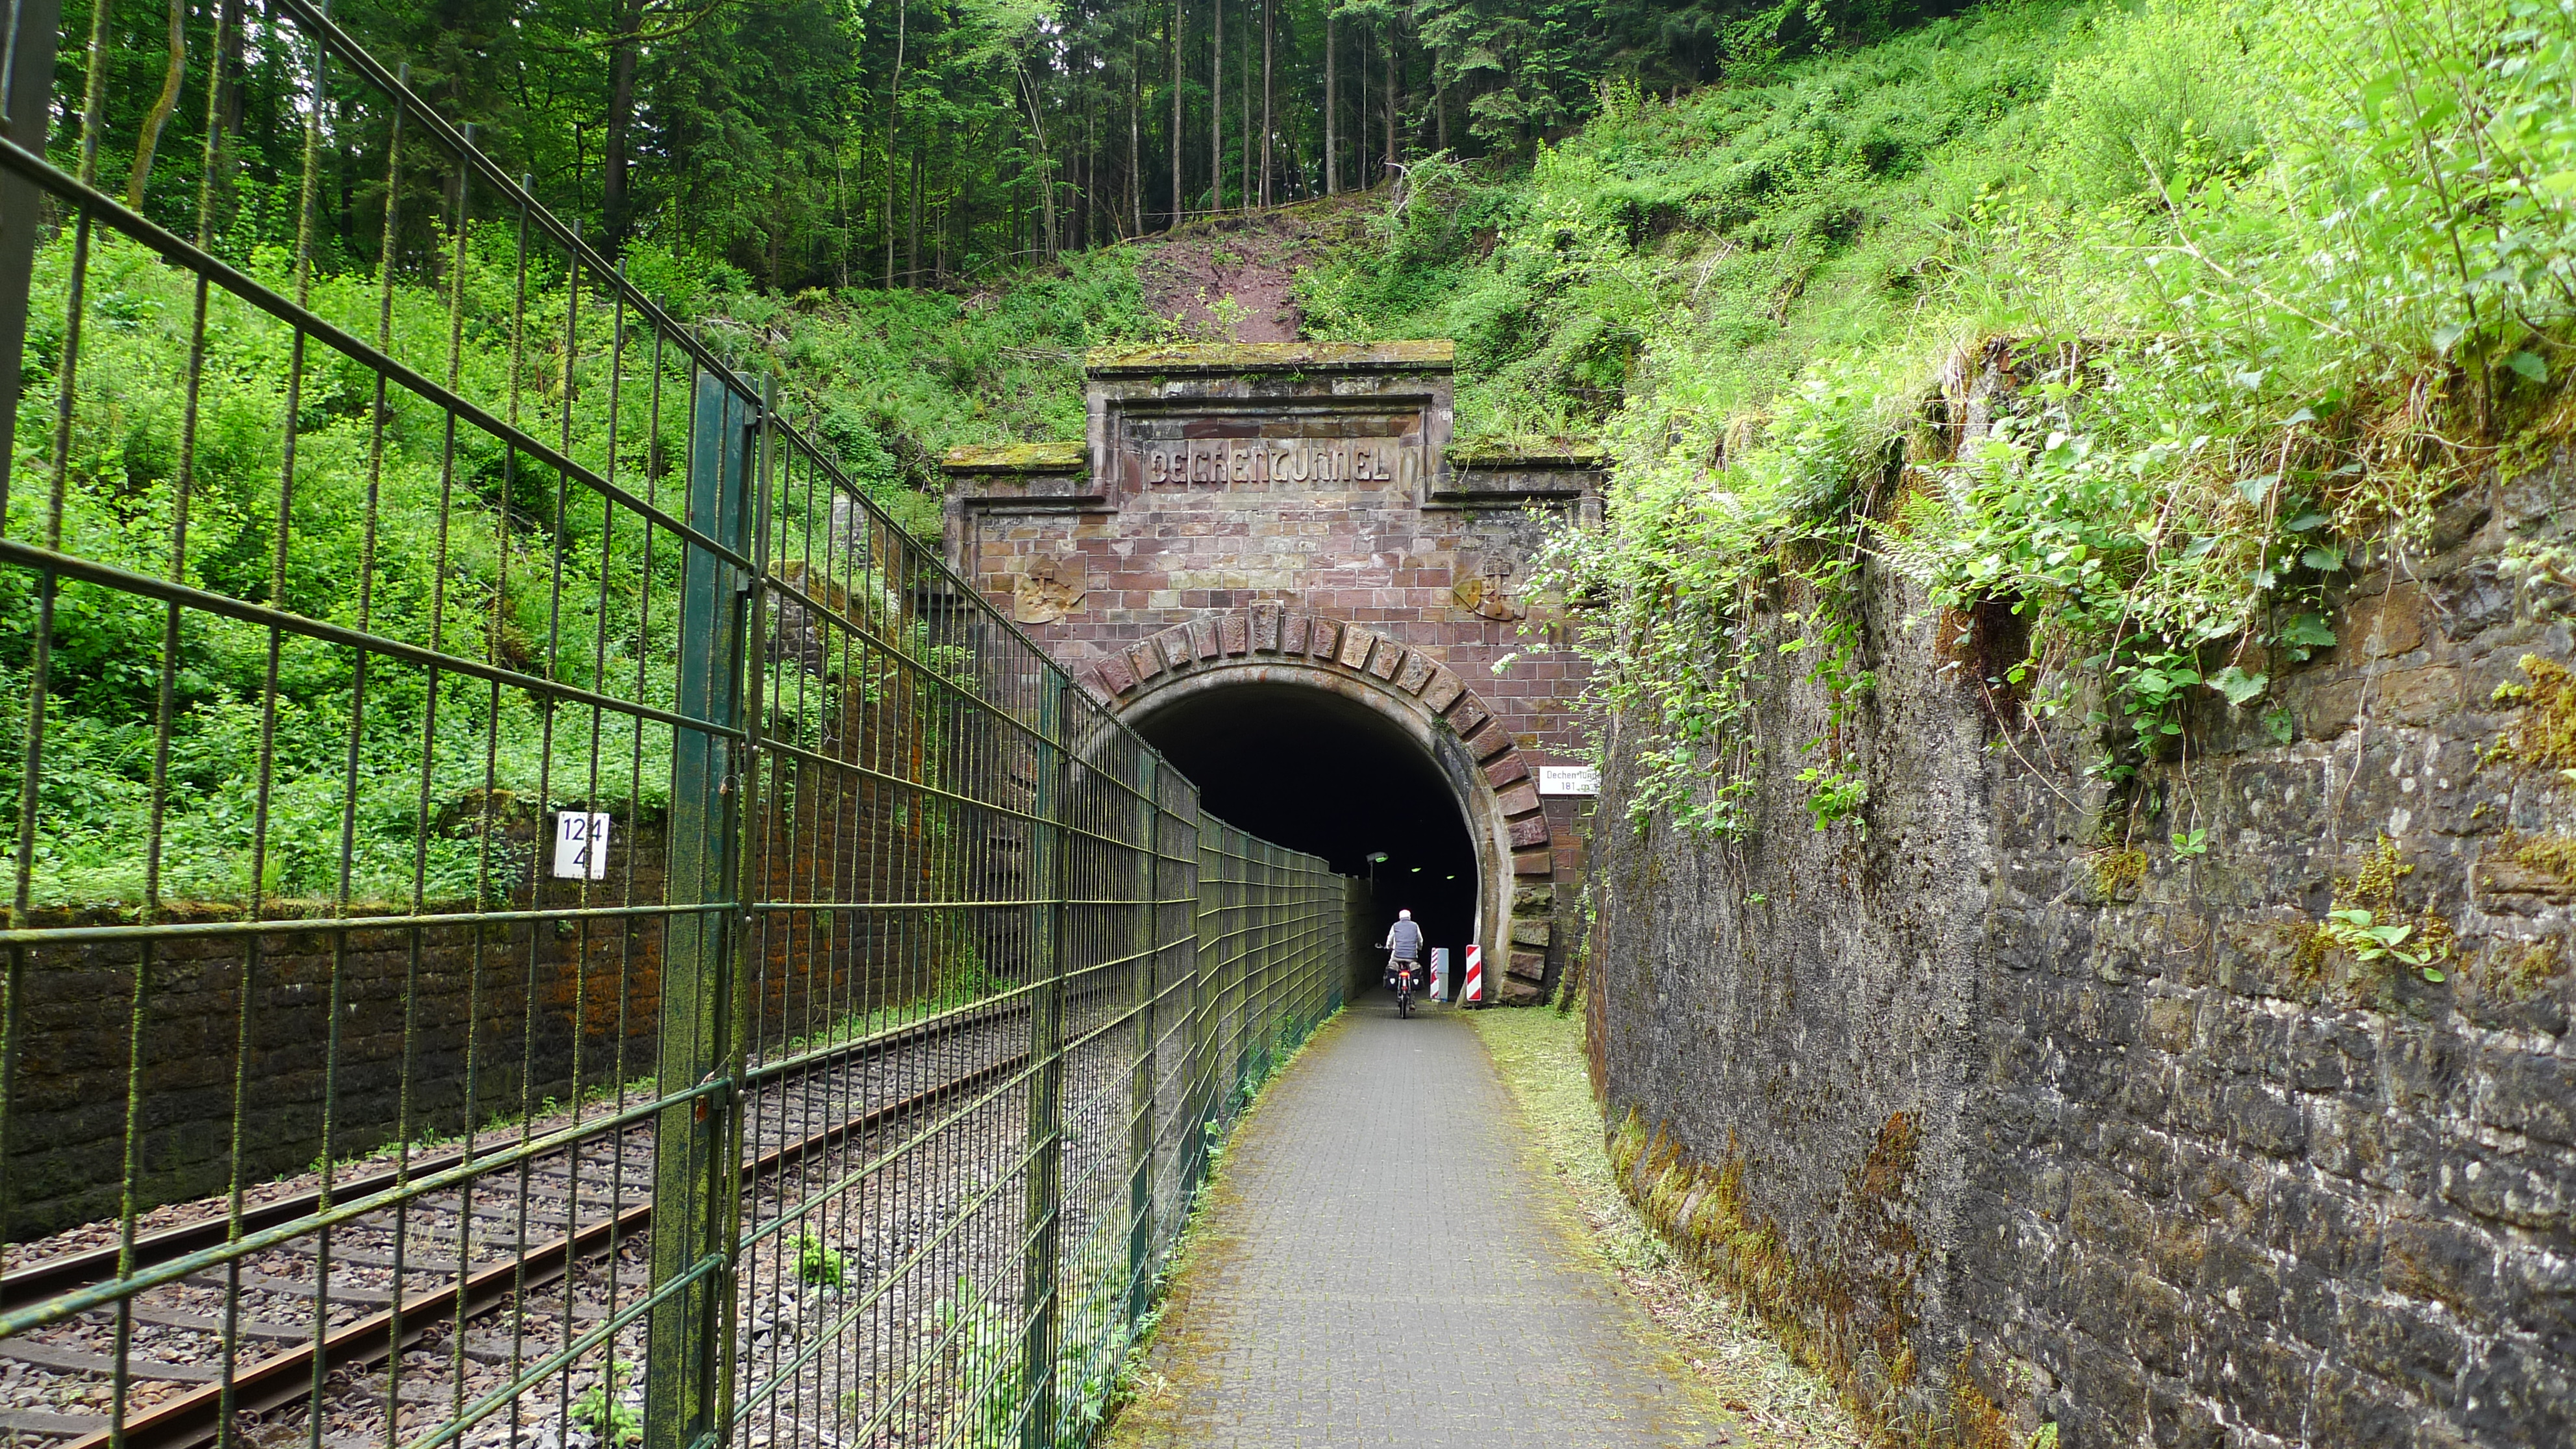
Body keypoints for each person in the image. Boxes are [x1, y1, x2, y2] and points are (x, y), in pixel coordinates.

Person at [1381, 909, 1424, 992]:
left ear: (1400, 917)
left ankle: (1395, 984)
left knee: (1391, 964)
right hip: (1411, 956)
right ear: (1410, 917)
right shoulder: (1415, 926)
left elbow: (1390, 939)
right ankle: (1412, 1000)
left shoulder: (1395, 926)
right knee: (1413, 970)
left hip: (1397, 956)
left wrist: (1388, 947)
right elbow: (1420, 939)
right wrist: (1419, 947)